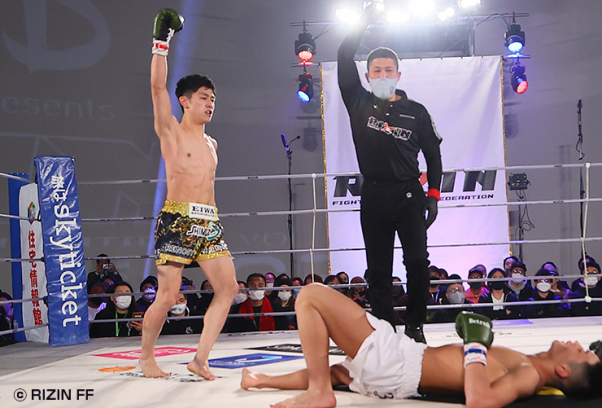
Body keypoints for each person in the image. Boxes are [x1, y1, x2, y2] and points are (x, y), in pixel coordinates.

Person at [240, 284, 602, 408]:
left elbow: (481, 400)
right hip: (398, 367)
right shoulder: (528, 364)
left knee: (311, 296)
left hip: (398, 362)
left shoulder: (529, 374)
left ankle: (318, 394)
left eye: (581, 350)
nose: (575, 342)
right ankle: (262, 380)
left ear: (563, 369)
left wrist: (475, 345)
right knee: (338, 371)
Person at [140, 8, 239, 379]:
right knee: (168, 295)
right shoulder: (170, 131)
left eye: (213, 98)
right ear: (184, 100)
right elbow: (156, 88)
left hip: (209, 223)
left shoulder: (213, 144)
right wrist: (161, 44)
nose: (210, 103)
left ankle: (200, 359)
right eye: (203, 97)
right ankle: (146, 357)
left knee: (228, 287)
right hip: (178, 220)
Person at [337, 3, 442, 343]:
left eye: (388, 70)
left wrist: (433, 196)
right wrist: (363, 22)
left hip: (409, 195)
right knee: (378, 268)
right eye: (376, 70)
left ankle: (415, 326)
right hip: (374, 195)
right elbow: (343, 54)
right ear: (367, 76)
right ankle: (384, 327)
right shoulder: (357, 102)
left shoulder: (417, 112)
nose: (382, 75)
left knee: (417, 262)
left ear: (398, 74)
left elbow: (434, 156)